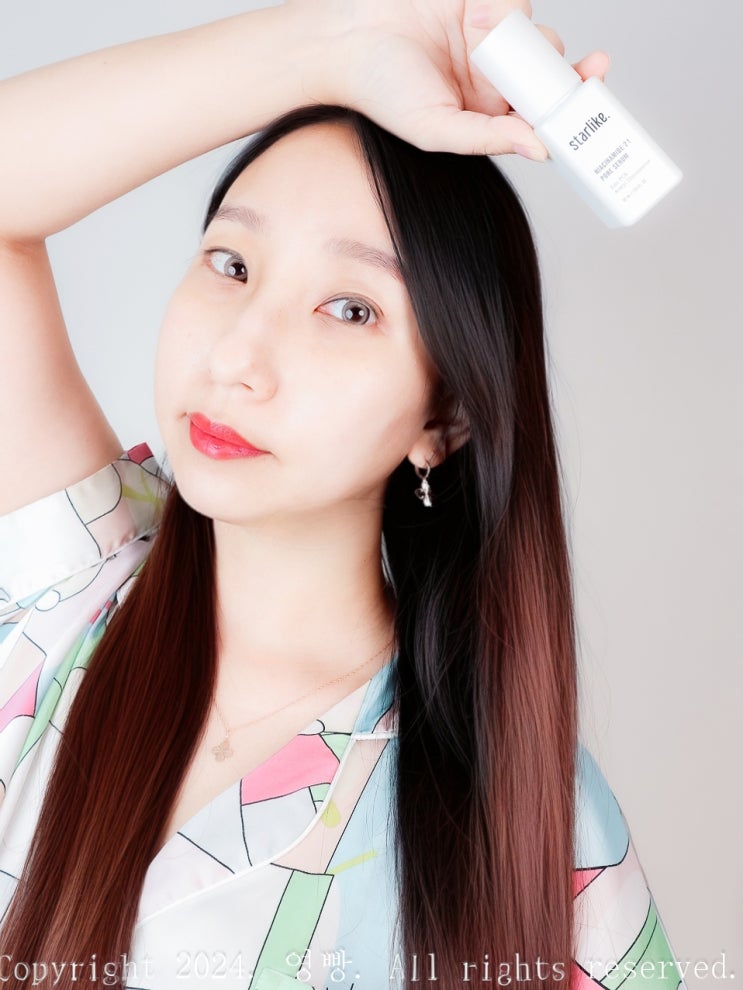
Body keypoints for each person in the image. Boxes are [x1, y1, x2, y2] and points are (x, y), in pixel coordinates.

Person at [0, 1, 684, 988]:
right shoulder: (69, 585)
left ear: (442, 417)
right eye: (232, 264)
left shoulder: (519, 824)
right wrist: (344, 43)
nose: (237, 356)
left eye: (349, 309)